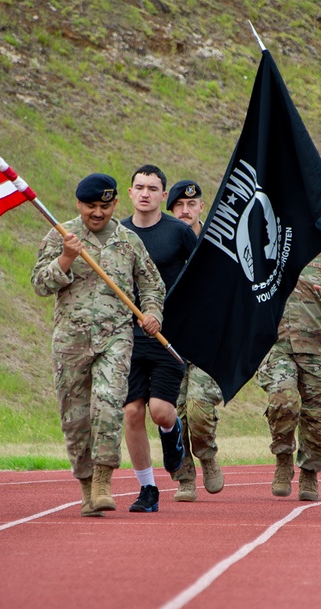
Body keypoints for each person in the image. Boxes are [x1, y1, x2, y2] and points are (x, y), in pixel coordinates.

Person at [31, 173, 165, 517]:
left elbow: (152, 286)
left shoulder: (128, 241)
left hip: (115, 340)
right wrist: (64, 258)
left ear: (115, 204)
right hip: (70, 342)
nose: (98, 213)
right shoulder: (62, 235)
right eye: (91, 206)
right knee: (75, 420)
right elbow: (40, 284)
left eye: (105, 207)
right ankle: (87, 488)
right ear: (79, 204)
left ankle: (104, 482)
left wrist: (152, 314)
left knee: (107, 406)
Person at [121, 165, 199, 513]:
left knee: (160, 411)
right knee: (132, 413)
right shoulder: (118, 233)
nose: (145, 193)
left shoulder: (179, 232)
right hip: (126, 338)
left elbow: (202, 277)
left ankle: (173, 432)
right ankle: (147, 489)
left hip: (170, 336)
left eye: (153, 188)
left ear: (163, 196)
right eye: (139, 187)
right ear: (130, 192)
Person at [256, 245, 321, 501]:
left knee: (317, 420)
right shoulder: (266, 249)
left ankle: (309, 472)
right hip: (277, 345)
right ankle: (283, 458)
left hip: (319, 349)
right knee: (283, 399)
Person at [165, 179, 225, 502]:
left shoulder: (216, 240)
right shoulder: (163, 240)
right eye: (179, 206)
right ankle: (184, 476)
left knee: (199, 408)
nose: (186, 211)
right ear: (171, 209)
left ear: (202, 206)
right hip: (170, 341)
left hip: (207, 338)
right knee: (175, 412)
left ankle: (207, 454)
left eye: (192, 204)